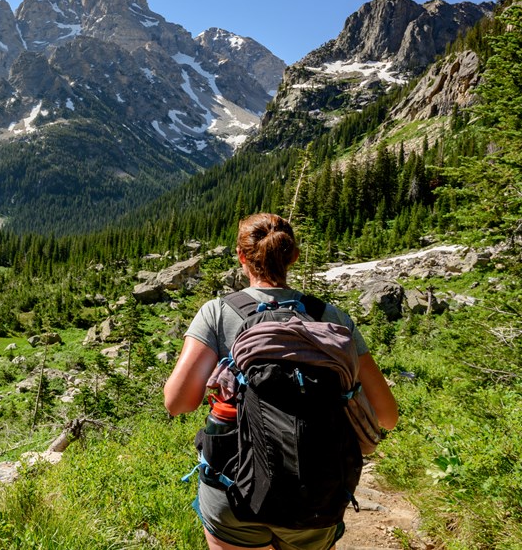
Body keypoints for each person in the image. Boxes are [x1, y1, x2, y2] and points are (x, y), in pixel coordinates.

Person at [163, 213, 398, 550]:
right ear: (293, 257)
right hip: (317, 497)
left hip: (233, 490)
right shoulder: (331, 318)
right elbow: (387, 416)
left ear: (242, 257)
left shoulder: (217, 312)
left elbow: (177, 402)